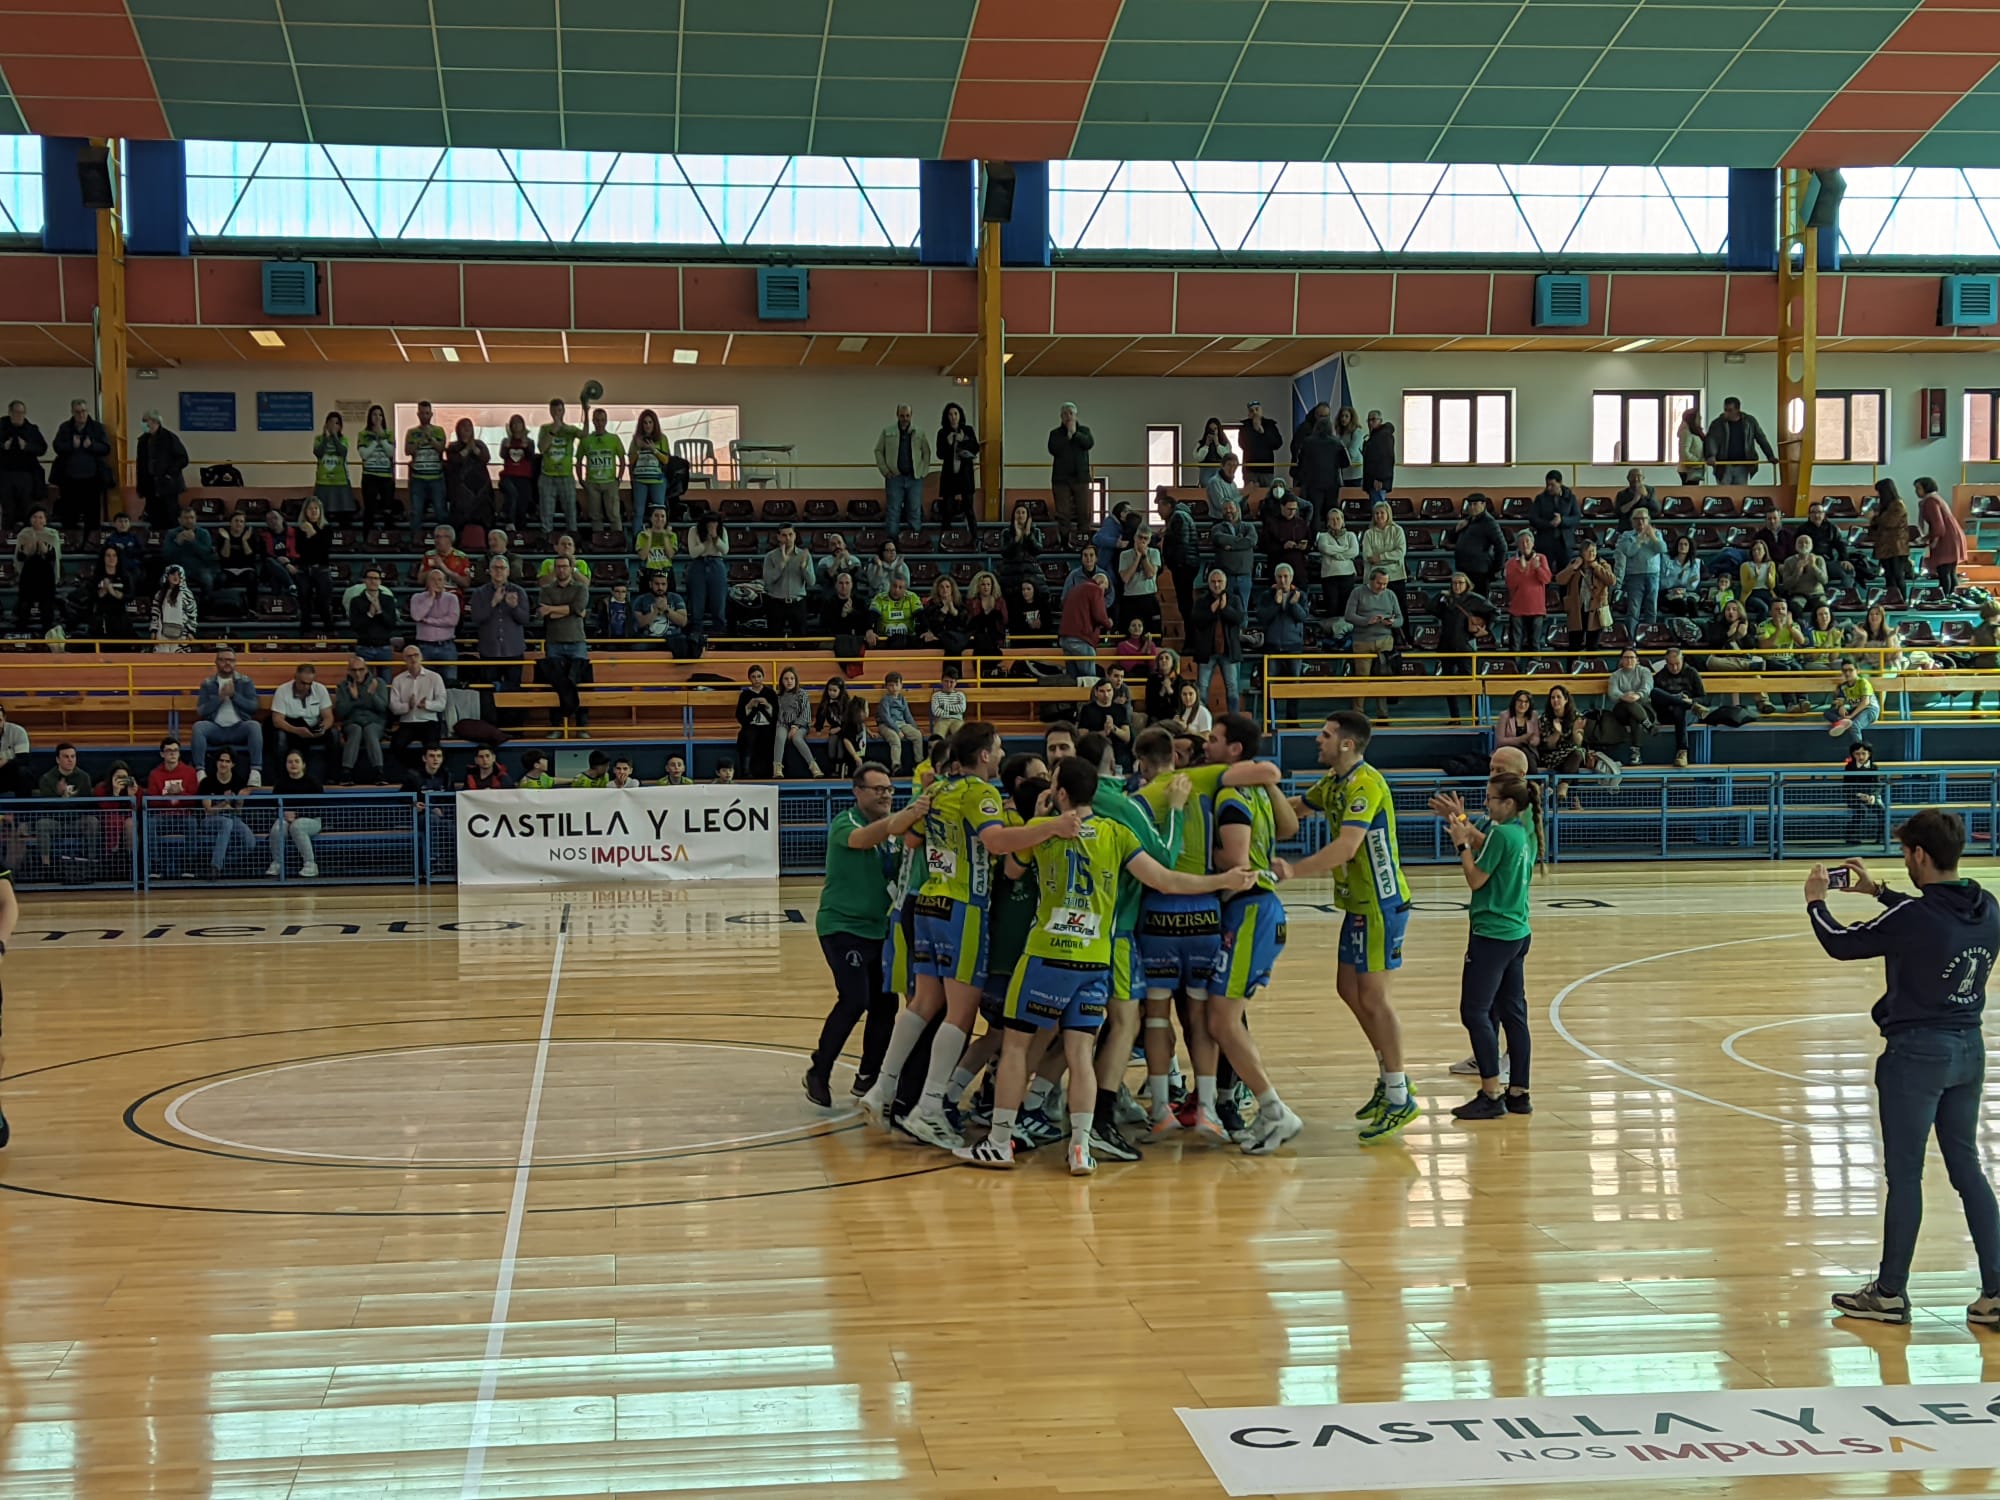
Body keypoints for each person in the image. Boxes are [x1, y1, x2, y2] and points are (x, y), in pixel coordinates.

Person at [958, 754, 1256, 1173]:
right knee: (1081, 1053)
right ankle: (1080, 1147)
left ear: (1059, 792)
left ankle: (999, 1141)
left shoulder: (1039, 832)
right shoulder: (1116, 833)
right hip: (1095, 960)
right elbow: (1165, 879)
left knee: (1017, 1047)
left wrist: (1042, 821)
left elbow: (1007, 865)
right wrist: (1222, 881)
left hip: (1047, 954)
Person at [1806, 811, 2000, 1329]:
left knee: (1906, 1175)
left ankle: (1890, 1293)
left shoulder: (1915, 918)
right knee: (1968, 1170)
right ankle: (1996, 1292)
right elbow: (1928, 916)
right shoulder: (1987, 907)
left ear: (1918, 854)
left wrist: (1815, 900)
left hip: (1915, 1055)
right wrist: (1879, 891)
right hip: (1969, 1050)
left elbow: (1841, 943)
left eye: (1904, 854)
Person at [857, 722, 1083, 1151]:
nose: (1000, 756)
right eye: (997, 749)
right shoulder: (980, 793)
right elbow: (997, 842)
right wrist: (1047, 827)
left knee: (924, 1003)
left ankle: (883, 1089)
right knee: (959, 1014)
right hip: (963, 906)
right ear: (983, 755)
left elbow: (909, 838)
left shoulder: (939, 789)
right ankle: (928, 1106)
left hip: (927, 902)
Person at [1284, 711, 1418, 1144]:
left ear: (1347, 743)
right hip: (1356, 903)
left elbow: (1347, 846)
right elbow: (1295, 811)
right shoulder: (1332, 782)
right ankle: (1388, 1074)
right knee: (1348, 989)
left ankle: (1399, 1093)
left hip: (1381, 902)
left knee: (1374, 997)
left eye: (1324, 735)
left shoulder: (1366, 783)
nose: (1317, 740)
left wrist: (1294, 871)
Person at [804, 767, 934, 1106]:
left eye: (889, 789)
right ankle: (819, 1071)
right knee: (854, 999)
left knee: (885, 1004)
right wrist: (900, 820)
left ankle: (868, 1075)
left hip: (880, 929)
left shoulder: (894, 830)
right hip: (843, 927)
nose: (885, 795)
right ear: (857, 791)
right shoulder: (845, 823)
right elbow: (862, 841)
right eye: (877, 789)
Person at [1432, 772, 1540, 1120]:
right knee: (1514, 1013)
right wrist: (1461, 822)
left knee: (1475, 1011)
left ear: (1508, 803)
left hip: (1491, 934)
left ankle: (1491, 1093)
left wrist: (1461, 845)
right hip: (1517, 932)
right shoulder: (1524, 832)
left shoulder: (1500, 833)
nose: (1485, 803)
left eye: (1491, 798)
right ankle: (1519, 1093)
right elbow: (1490, 845)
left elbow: (1476, 878)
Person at [191, 649, 262, 779]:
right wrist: (220, 698)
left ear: (235, 663)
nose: (227, 663)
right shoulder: (207, 683)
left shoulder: (245, 681)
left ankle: (255, 771)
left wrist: (234, 696)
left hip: (239, 728)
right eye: (223, 660)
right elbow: (201, 711)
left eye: (230, 660)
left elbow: (253, 707)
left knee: (254, 726)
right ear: (216, 662)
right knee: (198, 727)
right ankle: (200, 771)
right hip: (215, 729)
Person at [1344, 566, 1402, 720]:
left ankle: (1383, 714)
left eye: (1385, 584)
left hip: (1385, 640)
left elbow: (1400, 619)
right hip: (1363, 640)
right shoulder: (1357, 592)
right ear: (1371, 580)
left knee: (1383, 678)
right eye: (1379, 583)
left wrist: (1392, 622)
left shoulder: (1390, 595)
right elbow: (1348, 616)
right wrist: (1366, 621)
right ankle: (1358, 713)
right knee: (1361, 678)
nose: (1382, 587)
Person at [467, 556, 530, 695]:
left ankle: (513, 717)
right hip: (489, 651)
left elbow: (525, 619)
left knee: (514, 692)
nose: (499, 571)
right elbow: (476, 618)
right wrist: (493, 603)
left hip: (513, 650)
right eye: (495, 568)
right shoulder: (479, 593)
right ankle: (491, 717)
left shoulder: (519, 591)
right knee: (488, 692)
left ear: (508, 571)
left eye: (502, 568)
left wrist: (514, 607)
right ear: (489, 571)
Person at [1189, 567, 1245, 714]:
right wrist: (1211, 611)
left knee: (1232, 687)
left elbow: (1240, 619)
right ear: (1209, 583)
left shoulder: (1234, 599)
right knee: (1202, 687)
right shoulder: (1202, 601)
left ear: (1225, 583)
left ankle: (1234, 720)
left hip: (1228, 651)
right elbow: (1196, 621)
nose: (1217, 584)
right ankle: (1202, 719)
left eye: (1220, 581)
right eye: (1213, 581)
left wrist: (1225, 608)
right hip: (1207, 651)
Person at [198, 748, 259, 876]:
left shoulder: (238, 781)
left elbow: (238, 812)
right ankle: (215, 867)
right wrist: (224, 803)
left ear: (232, 764)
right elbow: (208, 811)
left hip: (232, 817)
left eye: (227, 761)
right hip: (210, 820)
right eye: (221, 760)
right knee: (226, 823)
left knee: (250, 842)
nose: (223, 764)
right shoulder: (207, 782)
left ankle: (221, 862)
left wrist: (239, 801)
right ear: (216, 763)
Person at [49, 399, 110, 528]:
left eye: (83, 411)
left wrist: (92, 446)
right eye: (78, 412)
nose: (81, 414)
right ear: (72, 412)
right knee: (69, 516)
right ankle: (71, 545)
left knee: (92, 517)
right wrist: (71, 445)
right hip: (70, 480)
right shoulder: (65, 427)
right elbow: (57, 446)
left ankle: (91, 545)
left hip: (92, 479)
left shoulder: (97, 427)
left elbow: (106, 448)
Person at [268, 661, 335, 778]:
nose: (306, 687)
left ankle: (333, 777)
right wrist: (296, 730)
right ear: (295, 678)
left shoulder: (320, 689)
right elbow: (277, 720)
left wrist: (322, 728)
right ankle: (281, 778)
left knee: (334, 735)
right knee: (279, 737)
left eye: (309, 683)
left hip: (314, 727)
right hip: (291, 728)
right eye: (303, 683)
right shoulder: (283, 690)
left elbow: (328, 717)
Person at [265, 749, 324, 879]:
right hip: (286, 819)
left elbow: (319, 807)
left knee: (297, 826)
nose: (293, 764)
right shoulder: (280, 784)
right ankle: (277, 863)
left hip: (312, 820)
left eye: (297, 761)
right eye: (290, 762)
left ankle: (310, 864)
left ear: (303, 764)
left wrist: (297, 814)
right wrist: (284, 814)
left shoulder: (313, 783)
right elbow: (274, 805)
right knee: (277, 827)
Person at [874, 404, 931, 539]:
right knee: (893, 511)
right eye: (902, 416)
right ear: (897, 415)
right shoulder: (887, 431)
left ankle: (914, 541)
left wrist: (923, 471)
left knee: (914, 510)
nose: (904, 418)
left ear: (911, 415)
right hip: (894, 478)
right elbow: (878, 451)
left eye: (907, 416)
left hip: (914, 478)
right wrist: (885, 470)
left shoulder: (919, 432)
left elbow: (927, 452)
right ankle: (891, 545)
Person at [334, 653, 391, 784]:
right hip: (352, 722)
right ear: (349, 671)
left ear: (366, 669)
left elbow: (383, 708)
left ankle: (379, 772)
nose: (358, 673)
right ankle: (346, 773)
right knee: (356, 730)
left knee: (369, 731)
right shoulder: (343, 686)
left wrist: (371, 695)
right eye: (354, 670)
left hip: (375, 722)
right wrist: (354, 700)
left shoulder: (378, 683)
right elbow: (341, 712)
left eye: (361, 669)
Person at [388, 644, 449, 764]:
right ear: (404, 659)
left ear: (421, 657)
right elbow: (394, 707)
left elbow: (442, 704)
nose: (413, 659)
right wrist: (408, 706)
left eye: (416, 655)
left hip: (429, 722)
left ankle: (429, 773)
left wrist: (427, 705)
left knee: (433, 749)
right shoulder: (398, 680)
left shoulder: (434, 677)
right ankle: (415, 768)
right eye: (409, 656)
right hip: (407, 723)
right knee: (396, 746)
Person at [1556, 537, 1614, 663]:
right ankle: (1571, 673)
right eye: (1588, 551)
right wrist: (1574, 567)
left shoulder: (1602, 564)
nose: (1592, 554)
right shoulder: (1574, 564)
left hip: (1595, 610)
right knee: (1574, 645)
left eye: (1594, 551)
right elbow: (1560, 580)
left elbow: (1611, 580)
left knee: (1592, 645)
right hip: (1577, 609)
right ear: (1582, 552)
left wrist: (1597, 567)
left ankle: (1591, 671)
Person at [1650, 643, 1705, 767]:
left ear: (1682, 660)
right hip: (1666, 713)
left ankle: (1682, 751)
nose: (1674, 668)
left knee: (1679, 710)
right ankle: (1679, 700)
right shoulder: (1659, 676)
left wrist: (1691, 702)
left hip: (1689, 712)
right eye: (1671, 664)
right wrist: (1677, 699)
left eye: (1677, 664)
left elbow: (1704, 699)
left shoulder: (1692, 673)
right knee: (1655, 692)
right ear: (1666, 662)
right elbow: (1655, 701)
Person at [135, 410, 190, 533]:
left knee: (170, 518)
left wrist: (169, 474)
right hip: (150, 487)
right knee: (154, 520)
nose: (143, 424)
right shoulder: (143, 440)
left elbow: (183, 458)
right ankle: (156, 546)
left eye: (145, 421)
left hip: (168, 486)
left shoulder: (169, 437)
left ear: (155, 422)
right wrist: (140, 486)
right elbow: (141, 465)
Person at [1616, 509, 1667, 639]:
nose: (1641, 521)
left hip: (1653, 575)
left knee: (1652, 608)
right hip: (1634, 575)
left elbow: (1663, 549)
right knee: (1634, 609)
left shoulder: (1657, 534)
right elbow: (1629, 552)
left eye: (1643, 518)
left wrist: (1653, 537)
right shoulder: (1626, 536)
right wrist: (1639, 540)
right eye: (1637, 519)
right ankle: (1632, 639)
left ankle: (1650, 637)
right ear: (1632, 522)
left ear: (1648, 520)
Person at [1915, 476, 1968, 599]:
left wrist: (1926, 539)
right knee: (1950, 572)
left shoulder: (1930, 502)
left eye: (1918, 488)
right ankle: (1953, 598)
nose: (1916, 491)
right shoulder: (1935, 499)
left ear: (1926, 488)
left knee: (1944, 572)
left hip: (1946, 539)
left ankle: (1945, 599)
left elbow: (1938, 527)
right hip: (1953, 536)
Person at [1047, 401, 1095, 536]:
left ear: (1076, 416)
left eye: (1071, 413)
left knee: (1083, 511)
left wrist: (1075, 434)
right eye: (1065, 414)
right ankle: (1064, 541)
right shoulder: (1055, 434)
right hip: (1061, 479)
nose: (1068, 416)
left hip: (1081, 478)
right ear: (1061, 417)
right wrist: (1067, 437)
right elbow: (1053, 449)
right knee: (1063, 513)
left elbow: (1089, 443)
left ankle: (1083, 540)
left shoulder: (1084, 431)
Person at [403, 400, 448, 543]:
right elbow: (408, 451)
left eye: (427, 413)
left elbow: (441, 449)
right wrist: (420, 439)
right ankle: (416, 540)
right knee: (416, 511)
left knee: (441, 511)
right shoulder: (412, 432)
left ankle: (444, 541)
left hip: (436, 477)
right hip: (418, 478)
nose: (424, 416)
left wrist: (430, 437)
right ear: (418, 414)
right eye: (422, 413)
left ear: (431, 414)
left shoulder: (439, 430)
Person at [1705, 396, 1777, 484]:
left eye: (1730, 410)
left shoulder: (1750, 422)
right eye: (1725, 410)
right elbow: (1711, 440)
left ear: (1737, 410)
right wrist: (1711, 455)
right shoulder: (1717, 423)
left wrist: (1770, 456)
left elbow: (1761, 438)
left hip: (1743, 465)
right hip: (1723, 466)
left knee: (1741, 493)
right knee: (1723, 494)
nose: (1726, 413)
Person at [537, 397, 583, 535]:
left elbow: (584, 434)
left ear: (563, 411)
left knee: (570, 511)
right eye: (554, 410)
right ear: (550, 412)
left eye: (559, 410)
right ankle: (547, 539)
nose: (557, 413)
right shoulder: (545, 429)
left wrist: (586, 412)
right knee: (546, 512)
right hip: (547, 476)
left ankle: (573, 539)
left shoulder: (570, 429)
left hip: (566, 475)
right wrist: (553, 430)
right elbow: (542, 448)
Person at [1604, 646, 1656, 765]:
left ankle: (1635, 752)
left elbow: (1647, 687)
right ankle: (1647, 724)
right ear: (1621, 660)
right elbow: (1612, 693)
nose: (1629, 660)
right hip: (1621, 711)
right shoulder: (1616, 675)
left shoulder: (1644, 671)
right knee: (1628, 705)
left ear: (1637, 660)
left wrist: (1637, 695)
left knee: (1634, 717)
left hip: (1643, 707)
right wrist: (1624, 697)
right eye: (1626, 658)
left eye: (1632, 658)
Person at [0, 399, 47, 530]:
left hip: (26, 475)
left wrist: (27, 447)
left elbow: (42, 448)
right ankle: (6, 539)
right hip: (5, 474)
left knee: (27, 508)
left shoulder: (31, 429)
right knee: (8, 509)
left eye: (22, 413)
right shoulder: (1, 427)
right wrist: (3, 446)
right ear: (10, 412)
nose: (19, 416)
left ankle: (27, 539)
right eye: (16, 412)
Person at [11, 505, 59, 634]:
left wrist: (45, 551)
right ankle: (21, 639)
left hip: (46, 575)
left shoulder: (52, 535)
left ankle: (48, 638)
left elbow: (55, 558)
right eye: (35, 517)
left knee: (47, 609)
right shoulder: (23, 534)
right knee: (24, 606)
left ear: (45, 520)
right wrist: (26, 551)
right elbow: (19, 558)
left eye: (40, 517)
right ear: (30, 519)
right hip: (29, 575)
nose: (37, 520)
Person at [577, 406, 626, 531]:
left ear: (606, 421)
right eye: (597, 420)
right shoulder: (586, 440)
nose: (599, 423)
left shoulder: (614, 439)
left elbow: (622, 459)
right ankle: (598, 543)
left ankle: (617, 541)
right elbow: (578, 461)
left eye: (602, 420)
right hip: (592, 483)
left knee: (614, 515)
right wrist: (581, 480)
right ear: (593, 421)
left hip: (610, 482)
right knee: (595, 516)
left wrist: (618, 479)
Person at [684, 512, 729, 642]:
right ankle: (696, 634)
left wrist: (715, 538)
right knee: (697, 601)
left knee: (718, 601)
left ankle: (720, 633)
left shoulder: (722, 530)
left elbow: (725, 550)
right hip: (699, 564)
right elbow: (693, 553)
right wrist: (706, 541)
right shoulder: (694, 530)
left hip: (717, 563)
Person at [1360, 501, 1409, 617]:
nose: (1379, 516)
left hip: (1396, 576)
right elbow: (1368, 556)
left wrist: (1381, 557)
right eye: (1376, 513)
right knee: (1378, 611)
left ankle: (1404, 635)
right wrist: (1390, 558)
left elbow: (1400, 553)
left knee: (1400, 610)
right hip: (1376, 578)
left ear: (1388, 514)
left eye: (1382, 513)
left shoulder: (1397, 530)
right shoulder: (1368, 533)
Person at [935, 402, 979, 529]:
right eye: (950, 414)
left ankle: (974, 540)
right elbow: (940, 454)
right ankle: (945, 539)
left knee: (969, 510)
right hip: (949, 477)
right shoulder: (942, 433)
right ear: (946, 417)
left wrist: (963, 440)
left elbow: (975, 448)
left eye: (955, 414)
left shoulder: (968, 430)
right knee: (947, 511)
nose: (953, 417)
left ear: (960, 416)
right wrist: (948, 443)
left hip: (965, 476)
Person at [1527, 472, 1581, 574]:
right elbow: (1533, 518)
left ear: (1560, 483)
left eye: (1552, 485)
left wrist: (1562, 520)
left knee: (1565, 575)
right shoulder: (1540, 499)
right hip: (1545, 542)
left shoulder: (1571, 498)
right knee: (1544, 574)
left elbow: (1577, 517)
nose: (1549, 488)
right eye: (1547, 485)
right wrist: (1549, 524)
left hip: (1565, 543)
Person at [626, 409, 669, 528]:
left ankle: (659, 539)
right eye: (645, 423)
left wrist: (653, 450)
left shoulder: (662, 438)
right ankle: (638, 540)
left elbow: (665, 460)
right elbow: (630, 461)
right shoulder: (636, 439)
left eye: (650, 422)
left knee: (659, 512)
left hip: (657, 480)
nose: (648, 425)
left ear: (655, 424)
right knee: (638, 512)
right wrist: (639, 449)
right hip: (640, 480)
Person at [349, 565, 399, 664]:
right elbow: (355, 626)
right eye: (370, 578)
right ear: (364, 581)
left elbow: (392, 624)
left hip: (384, 647)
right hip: (364, 647)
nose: (373, 581)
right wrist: (370, 614)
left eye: (376, 578)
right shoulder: (356, 601)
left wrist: (380, 612)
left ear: (380, 581)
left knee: (385, 678)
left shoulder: (388, 600)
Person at [84, 544, 134, 643]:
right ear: (103, 558)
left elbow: (130, 596)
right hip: (102, 617)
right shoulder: (96, 577)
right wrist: (103, 590)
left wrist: (112, 591)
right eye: (108, 555)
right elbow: (90, 596)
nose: (111, 558)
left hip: (120, 618)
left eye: (114, 555)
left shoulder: (125, 576)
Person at [876, 672, 924, 774]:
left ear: (901, 685)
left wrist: (915, 727)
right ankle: (896, 766)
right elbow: (886, 717)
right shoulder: (885, 700)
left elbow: (908, 716)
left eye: (896, 685)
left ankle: (918, 763)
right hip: (886, 725)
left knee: (917, 735)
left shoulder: (902, 699)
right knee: (895, 739)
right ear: (886, 687)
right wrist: (897, 730)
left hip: (901, 723)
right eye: (891, 685)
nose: (894, 687)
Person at [735, 665, 779, 778]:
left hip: (768, 725)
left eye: (759, 676)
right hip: (751, 724)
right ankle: (746, 770)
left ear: (763, 677)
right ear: (749, 678)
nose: (756, 679)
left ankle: (772, 770)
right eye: (753, 677)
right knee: (747, 737)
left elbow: (777, 713)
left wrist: (768, 706)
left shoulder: (770, 693)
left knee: (772, 738)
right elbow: (739, 716)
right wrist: (749, 707)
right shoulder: (745, 694)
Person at [495, 415, 536, 530]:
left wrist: (526, 446)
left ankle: (521, 529)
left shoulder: (529, 442)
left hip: (524, 477)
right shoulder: (506, 441)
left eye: (519, 423)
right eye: (514, 423)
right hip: (508, 475)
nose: (517, 426)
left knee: (522, 502)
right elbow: (502, 455)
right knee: (512, 494)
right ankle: (509, 521)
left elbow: (531, 457)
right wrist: (507, 445)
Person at [1826, 658, 1880, 741]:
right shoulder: (1843, 686)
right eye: (1844, 670)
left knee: (1855, 726)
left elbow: (1865, 702)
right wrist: (1841, 706)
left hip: (1870, 709)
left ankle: (1859, 751)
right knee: (1828, 713)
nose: (1847, 673)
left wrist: (1851, 716)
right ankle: (1842, 722)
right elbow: (1838, 701)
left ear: (1857, 670)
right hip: (1855, 710)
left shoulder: (1863, 682)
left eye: (1850, 670)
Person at [1237, 399, 1284, 489]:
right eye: (1252, 411)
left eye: (1257, 409)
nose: (1255, 413)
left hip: (1267, 470)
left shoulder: (1270, 425)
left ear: (1261, 411)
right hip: (1250, 470)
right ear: (1249, 414)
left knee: (1268, 496)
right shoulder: (1244, 427)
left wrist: (1262, 432)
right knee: (1250, 498)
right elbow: (1242, 444)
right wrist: (1254, 430)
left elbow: (1278, 443)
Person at [929, 669, 967, 739]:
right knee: (937, 737)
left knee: (961, 737)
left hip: (957, 720)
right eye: (946, 681)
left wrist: (943, 706)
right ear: (942, 681)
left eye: (951, 682)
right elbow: (936, 712)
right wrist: (954, 712)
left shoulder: (960, 695)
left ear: (956, 683)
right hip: (941, 720)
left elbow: (962, 709)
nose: (948, 685)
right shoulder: (936, 695)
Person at [1192, 416, 1232, 483]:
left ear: (1219, 430)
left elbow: (1227, 457)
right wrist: (1206, 445)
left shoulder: (1225, 443)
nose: (1213, 431)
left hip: (1220, 471)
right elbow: (1198, 458)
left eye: (1215, 429)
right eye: (1210, 429)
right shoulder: (1200, 443)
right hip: (1205, 472)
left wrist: (1217, 444)